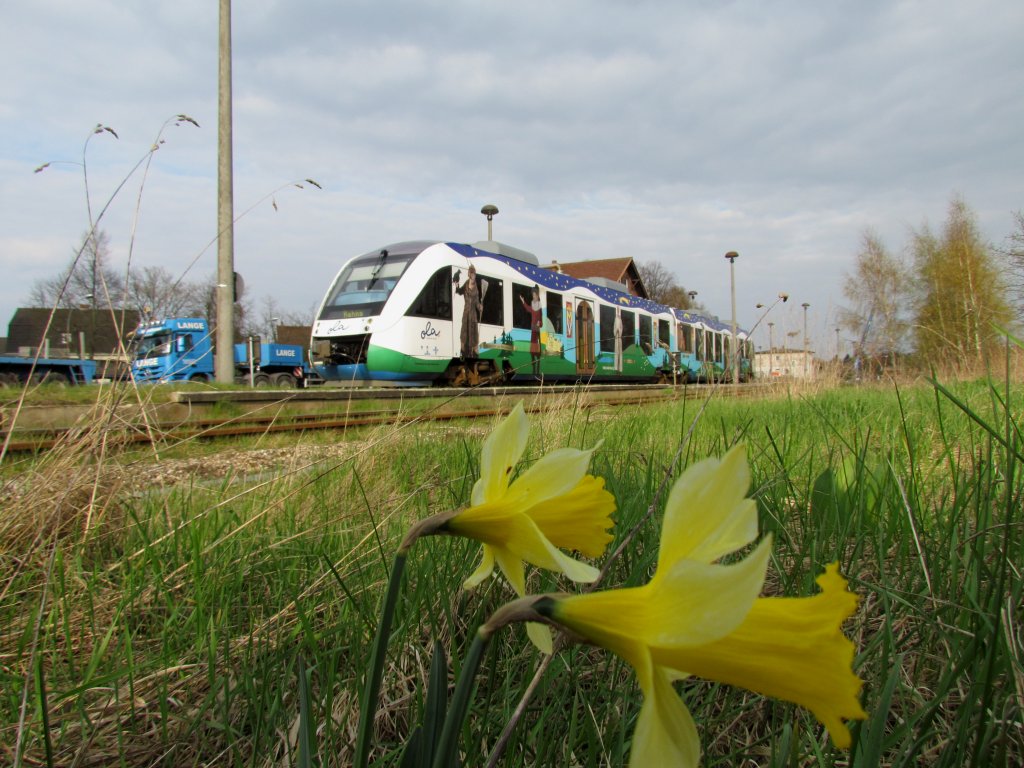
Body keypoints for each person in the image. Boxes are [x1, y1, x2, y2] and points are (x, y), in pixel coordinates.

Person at [454, 264, 482, 359]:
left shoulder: (476, 288)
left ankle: (473, 355)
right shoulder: (466, 284)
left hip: (473, 316)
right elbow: (459, 291)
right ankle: (463, 353)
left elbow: (477, 302)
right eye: (472, 273)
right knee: (464, 335)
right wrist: (457, 286)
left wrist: (480, 307)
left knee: (473, 338)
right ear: (469, 274)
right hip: (466, 315)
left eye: (474, 273)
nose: (473, 275)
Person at [519, 284, 542, 376]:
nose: (533, 296)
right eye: (532, 295)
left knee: (538, 351)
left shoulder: (539, 306)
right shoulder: (533, 305)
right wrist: (523, 301)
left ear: (537, 295)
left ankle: (537, 370)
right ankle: (533, 370)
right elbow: (528, 309)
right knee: (532, 351)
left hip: (537, 331)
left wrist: (539, 323)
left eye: (534, 295)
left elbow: (541, 319)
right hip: (533, 329)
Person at [613, 306, 623, 372]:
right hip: (616, 338)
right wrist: (615, 331)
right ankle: (616, 367)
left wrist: (619, 331)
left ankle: (619, 368)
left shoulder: (620, 320)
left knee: (620, 353)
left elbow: (621, 328)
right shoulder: (615, 319)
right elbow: (614, 329)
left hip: (619, 338)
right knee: (616, 352)